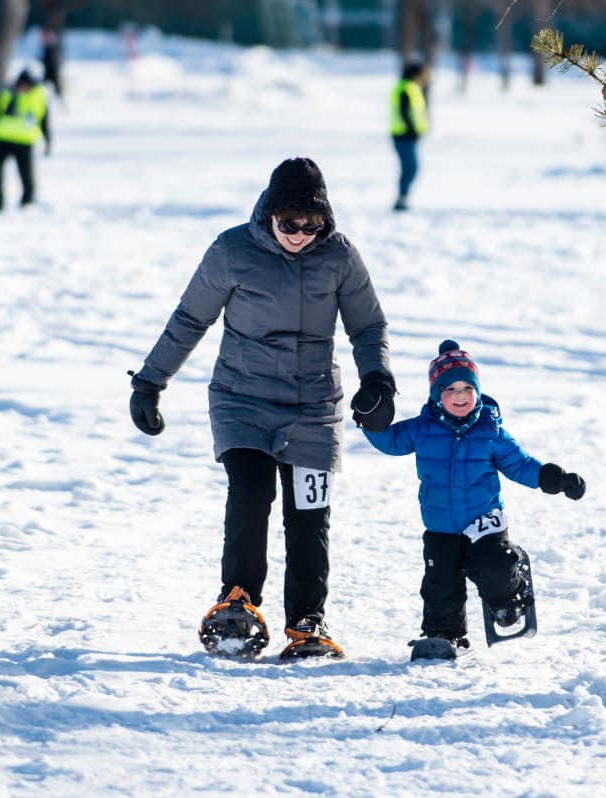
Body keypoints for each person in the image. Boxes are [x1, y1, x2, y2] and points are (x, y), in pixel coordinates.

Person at [128, 157, 397, 659]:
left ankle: (306, 621)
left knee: (309, 515)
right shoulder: (232, 251)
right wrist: (150, 381)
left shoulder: (339, 257)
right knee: (250, 495)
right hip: (242, 399)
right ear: (268, 214)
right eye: (289, 223)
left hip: (313, 405)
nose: (299, 234)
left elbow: (368, 327)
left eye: (311, 225)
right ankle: (238, 602)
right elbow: (190, 319)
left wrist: (378, 380)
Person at [361, 340, 586, 653]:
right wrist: (371, 420)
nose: (459, 396)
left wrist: (555, 479)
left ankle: (510, 596)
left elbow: (519, 463)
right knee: (441, 585)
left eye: (467, 388)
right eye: (449, 389)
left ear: (478, 391)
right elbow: (391, 441)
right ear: (436, 394)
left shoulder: (489, 429)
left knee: (494, 566)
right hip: (441, 525)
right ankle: (443, 632)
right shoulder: (423, 429)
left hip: (485, 521)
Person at [0, 68, 51, 212]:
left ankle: (27, 202)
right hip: (3, 139)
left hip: (25, 141)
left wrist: (48, 141)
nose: (24, 88)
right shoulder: (5, 93)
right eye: (22, 85)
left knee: (26, 174)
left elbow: (45, 120)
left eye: (27, 86)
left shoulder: (39, 96)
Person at [390, 61, 429, 212]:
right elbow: (405, 111)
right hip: (404, 135)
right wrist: (412, 129)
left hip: (407, 135)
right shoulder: (406, 88)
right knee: (410, 167)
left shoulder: (411, 88)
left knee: (410, 167)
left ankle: (403, 196)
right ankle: (402, 197)